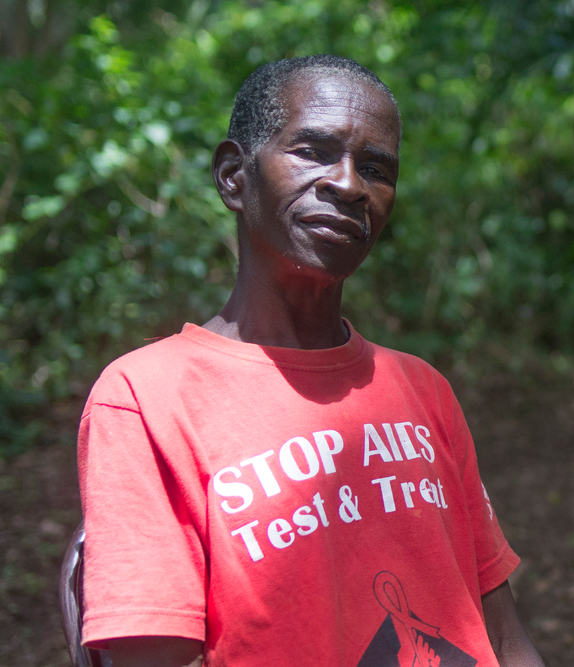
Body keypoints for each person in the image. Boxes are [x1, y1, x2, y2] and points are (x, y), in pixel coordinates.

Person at [77, 55, 545, 667]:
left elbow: (504, 637)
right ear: (233, 177)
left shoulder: (422, 389)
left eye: (375, 169)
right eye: (313, 152)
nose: (349, 185)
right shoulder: (147, 398)